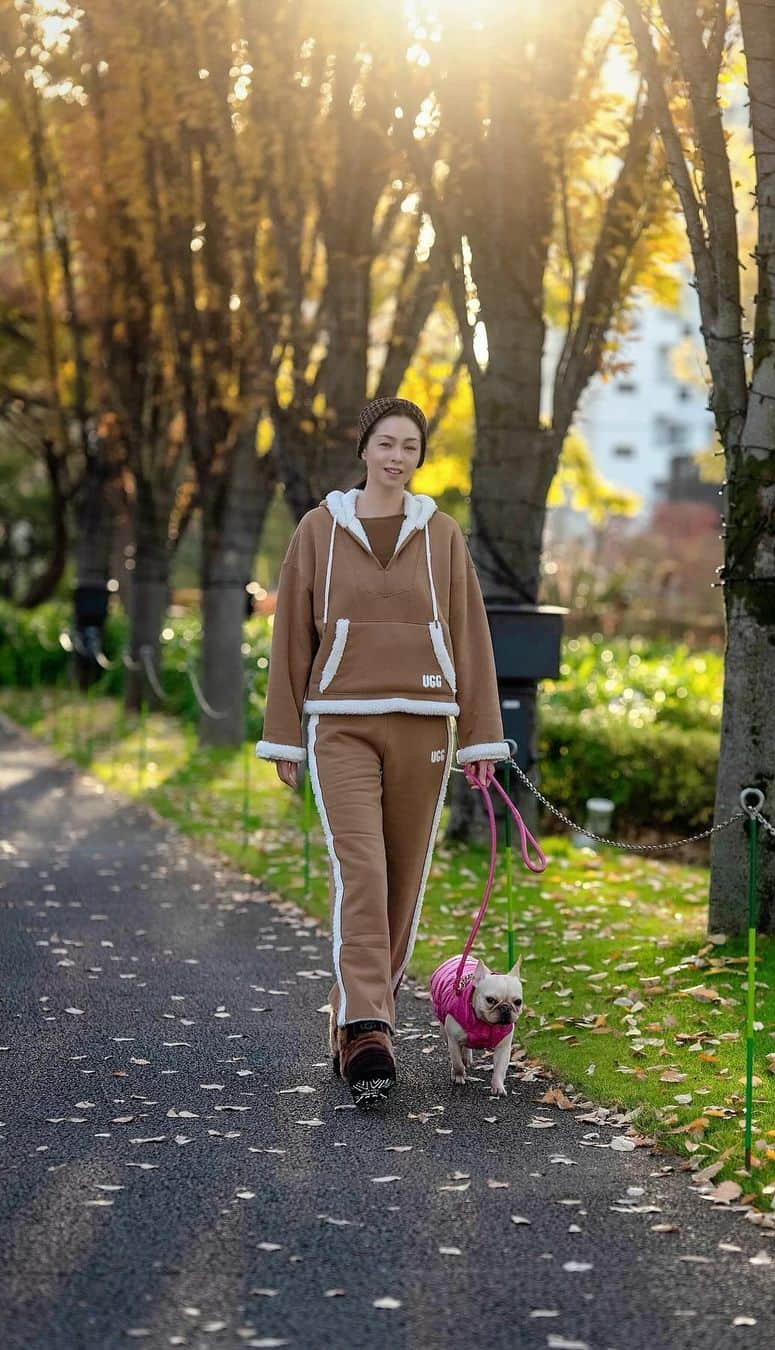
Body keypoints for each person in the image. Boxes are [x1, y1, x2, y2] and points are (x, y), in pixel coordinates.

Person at [255, 396, 510, 1102]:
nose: (398, 456)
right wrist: (285, 736)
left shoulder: (443, 534)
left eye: (411, 446)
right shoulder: (317, 530)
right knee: (361, 871)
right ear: (364, 448)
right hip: (339, 724)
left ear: (420, 458)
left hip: (425, 724)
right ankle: (370, 1027)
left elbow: (470, 635)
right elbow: (290, 642)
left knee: (402, 883)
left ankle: (355, 1017)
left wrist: (480, 738)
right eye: (386, 443)